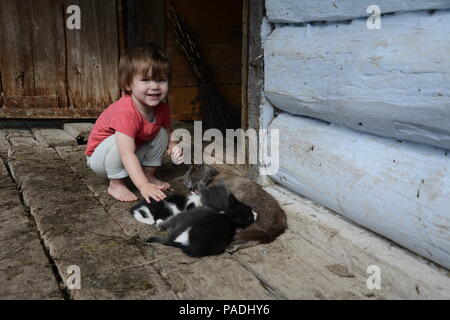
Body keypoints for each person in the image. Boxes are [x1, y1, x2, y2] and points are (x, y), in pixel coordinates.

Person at [85, 42, 183, 203]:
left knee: (162, 133)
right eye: (146, 79)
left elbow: (169, 130)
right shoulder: (126, 111)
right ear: (127, 84)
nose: (155, 86)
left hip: (130, 150)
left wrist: (173, 144)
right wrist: (143, 186)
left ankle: (148, 174)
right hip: (101, 159)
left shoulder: (161, 108)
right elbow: (126, 152)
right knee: (120, 143)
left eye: (161, 80)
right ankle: (116, 184)